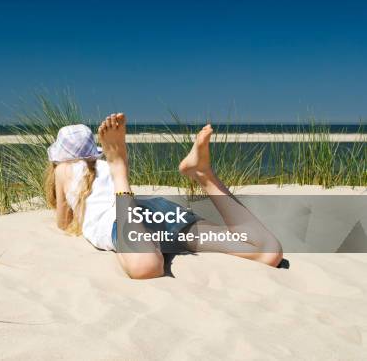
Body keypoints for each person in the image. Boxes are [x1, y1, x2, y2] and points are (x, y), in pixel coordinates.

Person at [45, 113, 284, 279]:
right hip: (156, 211)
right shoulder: (100, 165)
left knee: (146, 266)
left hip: (123, 222)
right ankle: (203, 174)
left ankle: (122, 169)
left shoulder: (62, 169)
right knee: (268, 251)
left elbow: (63, 222)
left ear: (58, 157)